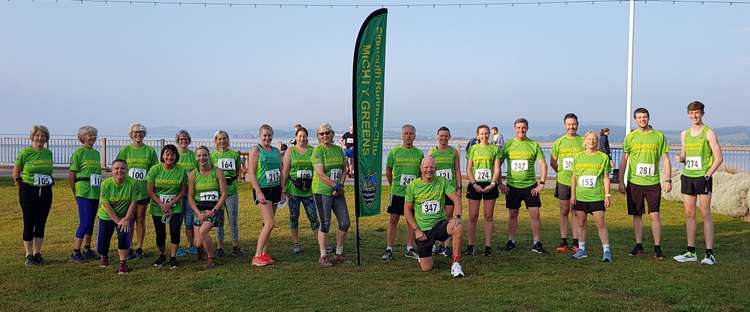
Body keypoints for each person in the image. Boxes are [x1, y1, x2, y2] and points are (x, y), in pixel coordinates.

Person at [673, 101, 723, 265]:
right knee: (689, 214)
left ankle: (709, 254)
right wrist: (680, 158)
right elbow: (685, 155)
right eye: (691, 113)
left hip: (703, 177)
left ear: (702, 114)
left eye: (697, 113)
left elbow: (719, 158)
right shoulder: (684, 134)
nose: (694, 116)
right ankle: (691, 251)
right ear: (688, 114)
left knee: (705, 213)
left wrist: (708, 175)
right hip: (688, 176)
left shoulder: (709, 133)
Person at [617, 107, 672, 259]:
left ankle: (657, 247)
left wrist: (668, 179)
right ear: (635, 119)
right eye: (639, 117)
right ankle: (639, 245)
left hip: (653, 182)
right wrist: (621, 181)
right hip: (634, 182)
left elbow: (666, 159)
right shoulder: (630, 137)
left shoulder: (658, 136)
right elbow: (624, 160)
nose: (642, 119)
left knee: (655, 214)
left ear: (649, 118)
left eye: (645, 117)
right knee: (637, 214)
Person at [404, 157, 465, 277]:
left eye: (431, 167)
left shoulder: (442, 182)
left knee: (458, 227)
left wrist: (457, 217)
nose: (429, 170)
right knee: (427, 268)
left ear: (435, 169)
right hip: (423, 230)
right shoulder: (413, 186)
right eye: (426, 167)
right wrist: (416, 230)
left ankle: (456, 264)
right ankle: (424, 256)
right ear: (421, 169)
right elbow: (407, 210)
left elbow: (456, 199)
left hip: (439, 224)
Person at [500, 118, 548, 254]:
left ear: (527, 128)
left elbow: (543, 164)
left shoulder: (533, 145)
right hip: (513, 186)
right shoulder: (508, 145)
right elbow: (497, 163)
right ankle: (511, 241)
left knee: (535, 214)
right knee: (512, 215)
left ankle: (537, 242)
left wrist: (542, 183)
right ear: (515, 128)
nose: (521, 130)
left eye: (523, 128)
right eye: (518, 128)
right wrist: (499, 183)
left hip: (530, 187)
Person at [13, 125, 54, 266]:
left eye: (43, 136)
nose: (40, 138)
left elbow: (49, 172)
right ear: (32, 137)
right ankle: (28, 255)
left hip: (45, 190)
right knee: (29, 222)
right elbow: (16, 172)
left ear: (46, 138)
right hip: (28, 190)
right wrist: (22, 186)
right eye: (37, 135)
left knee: (41, 222)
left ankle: (37, 253)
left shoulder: (48, 153)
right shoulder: (25, 152)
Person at [382, 124, 424, 260]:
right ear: (402, 135)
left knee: (411, 221)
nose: (408, 136)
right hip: (397, 193)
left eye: (411, 134)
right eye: (406, 133)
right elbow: (388, 171)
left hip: (413, 195)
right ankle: (389, 248)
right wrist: (392, 185)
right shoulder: (394, 152)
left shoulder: (419, 153)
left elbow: (421, 173)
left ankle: (410, 248)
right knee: (393, 219)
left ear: (414, 136)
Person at [117, 123, 158, 260]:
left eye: (141, 132)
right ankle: (127, 247)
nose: (138, 134)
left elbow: (154, 171)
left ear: (144, 134)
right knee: (128, 219)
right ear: (131, 134)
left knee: (140, 219)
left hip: (143, 191)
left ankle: (139, 247)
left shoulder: (150, 151)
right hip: (128, 191)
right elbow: (118, 168)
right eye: (135, 132)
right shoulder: (125, 150)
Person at [570, 131, 613, 262]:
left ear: (597, 142)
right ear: (585, 141)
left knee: (600, 224)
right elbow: (574, 177)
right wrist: (573, 194)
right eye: (589, 139)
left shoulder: (603, 157)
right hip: (581, 197)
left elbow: (606, 177)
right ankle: (582, 250)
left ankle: (606, 251)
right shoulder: (578, 157)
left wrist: (607, 195)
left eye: (594, 139)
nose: (591, 141)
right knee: (581, 223)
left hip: (596, 196)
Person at [311, 123, 350, 267]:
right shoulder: (317, 151)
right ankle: (323, 255)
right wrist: (335, 185)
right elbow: (320, 173)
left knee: (345, 222)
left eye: (327, 133)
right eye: (321, 134)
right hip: (322, 191)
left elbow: (344, 169)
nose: (325, 136)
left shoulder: (339, 150)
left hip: (337, 191)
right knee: (325, 223)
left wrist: (340, 186)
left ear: (332, 134)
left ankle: (339, 253)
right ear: (318, 136)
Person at [146, 144, 188, 269]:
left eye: (172, 155)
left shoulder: (181, 171)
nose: (169, 157)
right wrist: (162, 204)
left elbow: (182, 191)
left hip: (175, 207)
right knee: (160, 234)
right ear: (162, 156)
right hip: (158, 207)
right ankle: (162, 255)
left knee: (175, 231)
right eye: (167, 154)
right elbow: (150, 190)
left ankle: (173, 257)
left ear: (176, 156)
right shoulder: (155, 169)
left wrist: (170, 203)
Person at [248, 124, 284, 266]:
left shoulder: (275, 151)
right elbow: (251, 173)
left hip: (275, 188)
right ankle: (256, 256)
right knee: (270, 223)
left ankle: (264, 253)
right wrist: (258, 191)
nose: (267, 138)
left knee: (267, 223)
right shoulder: (256, 150)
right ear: (260, 136)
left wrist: (282, 190)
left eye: (269, 135)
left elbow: (281, 171)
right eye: (265, 135)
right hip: (263, 190)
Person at [281, 127, 320, 255]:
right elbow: (285, 171)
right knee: (294, 217)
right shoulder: (290, 151)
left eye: (304, 136)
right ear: (296, 137)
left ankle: (321, 243)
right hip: (293, 191)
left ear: (307, 138)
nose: (302, 138)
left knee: (313, 217)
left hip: (309, 191)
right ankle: (296, 243)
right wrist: (283, 189)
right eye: (300, 136)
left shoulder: (312, 151)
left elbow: (318, 170)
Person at [187, 146, 228, 269]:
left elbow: (224, 194)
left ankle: (211, 258)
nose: (202, 158)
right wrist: (197, 213)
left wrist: (214, 210)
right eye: (199, 156)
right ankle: (200, 249)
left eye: (204, 155)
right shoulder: (193, 174)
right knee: (198, 243)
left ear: (208, 156)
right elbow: (190, 196)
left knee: (203, 231)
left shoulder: (218, 172)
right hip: (199, 210)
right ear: (196, 158)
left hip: (214, 209)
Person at [465, 125, 502, 256]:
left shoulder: (495, 149)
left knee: (488, 216)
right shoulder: (473, 149)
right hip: (474, 185)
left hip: (490, 185)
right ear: (477, 135)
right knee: (472, 216)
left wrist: (493, 184)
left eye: (486, 133)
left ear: (489, 135)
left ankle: (488, 247)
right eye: (481, 133)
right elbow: (468, 169)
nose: (484, 136)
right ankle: (470, 246)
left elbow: (497, 168)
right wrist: (474, 184)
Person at [97, 159, 138, 274]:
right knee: (102, 243)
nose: (119, 171)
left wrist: (126, 219)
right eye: (116, 168)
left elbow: (133, 202)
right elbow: (106, 205)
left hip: (124, 216)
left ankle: (123, 264)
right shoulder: (106, 184)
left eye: (122, 168)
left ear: (127, 170)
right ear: (112, 170)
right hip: (107, 215)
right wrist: (117, 221)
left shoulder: (133, 183)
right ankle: (104, 256)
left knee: (124, 237)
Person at [550, 114, 584, 253]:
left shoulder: (582, 141)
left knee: (575, 211)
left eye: (574, 124)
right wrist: (562, 171)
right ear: (565, 125)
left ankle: (576, 241)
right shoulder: (559, 142)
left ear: (577, 124)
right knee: (564, 211)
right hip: (563, 181)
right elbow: (553, 162)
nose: (571, 126)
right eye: (569, 124)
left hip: (579, 182)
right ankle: (563, 241)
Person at [68, 126, 103, 263]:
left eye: (94, 135)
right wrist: (76, 193)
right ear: (82, 138)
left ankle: (87, 248)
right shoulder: (78, 153)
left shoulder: (96, 153)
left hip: (95, 191)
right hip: (83, 191)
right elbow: (71, 176)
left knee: (91, 222)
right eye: (89, 135)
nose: (92, 138)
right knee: (85, 222)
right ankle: (75, 251)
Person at [427, 126, 461, 257]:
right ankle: (435, 245)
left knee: (448, 217)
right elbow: (427, 170)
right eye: (441, 135)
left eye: (446, 136)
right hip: (436, 190)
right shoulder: (432, 152)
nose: (443, 138)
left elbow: (457, 170)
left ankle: (447, 246)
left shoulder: (453, 152)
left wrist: (458, 187)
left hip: (450, 189)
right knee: (435, 217)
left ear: (449, 137)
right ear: (437, 137)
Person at [210, 130, 244, 258]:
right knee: (219, 221)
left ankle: (235, 246)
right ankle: (219, 247)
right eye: (219, 139)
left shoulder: (234, 155)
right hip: (217, 193)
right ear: (216, 141)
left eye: (224, 138)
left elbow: (237, 172)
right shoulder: (212, 156)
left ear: (228, 140)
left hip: (231, 191)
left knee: (233, 220)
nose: (222, 141)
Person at [175, 130, 197, 257]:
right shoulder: (174, 155)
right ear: (177, 140)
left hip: (190, 194)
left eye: (186, 139)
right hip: (176, 194)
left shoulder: (193, 155)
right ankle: (176, 246)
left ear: (189, 140)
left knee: (189, 221)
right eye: (181, 139)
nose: (183, 141)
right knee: (176, 221)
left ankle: (191, 245)